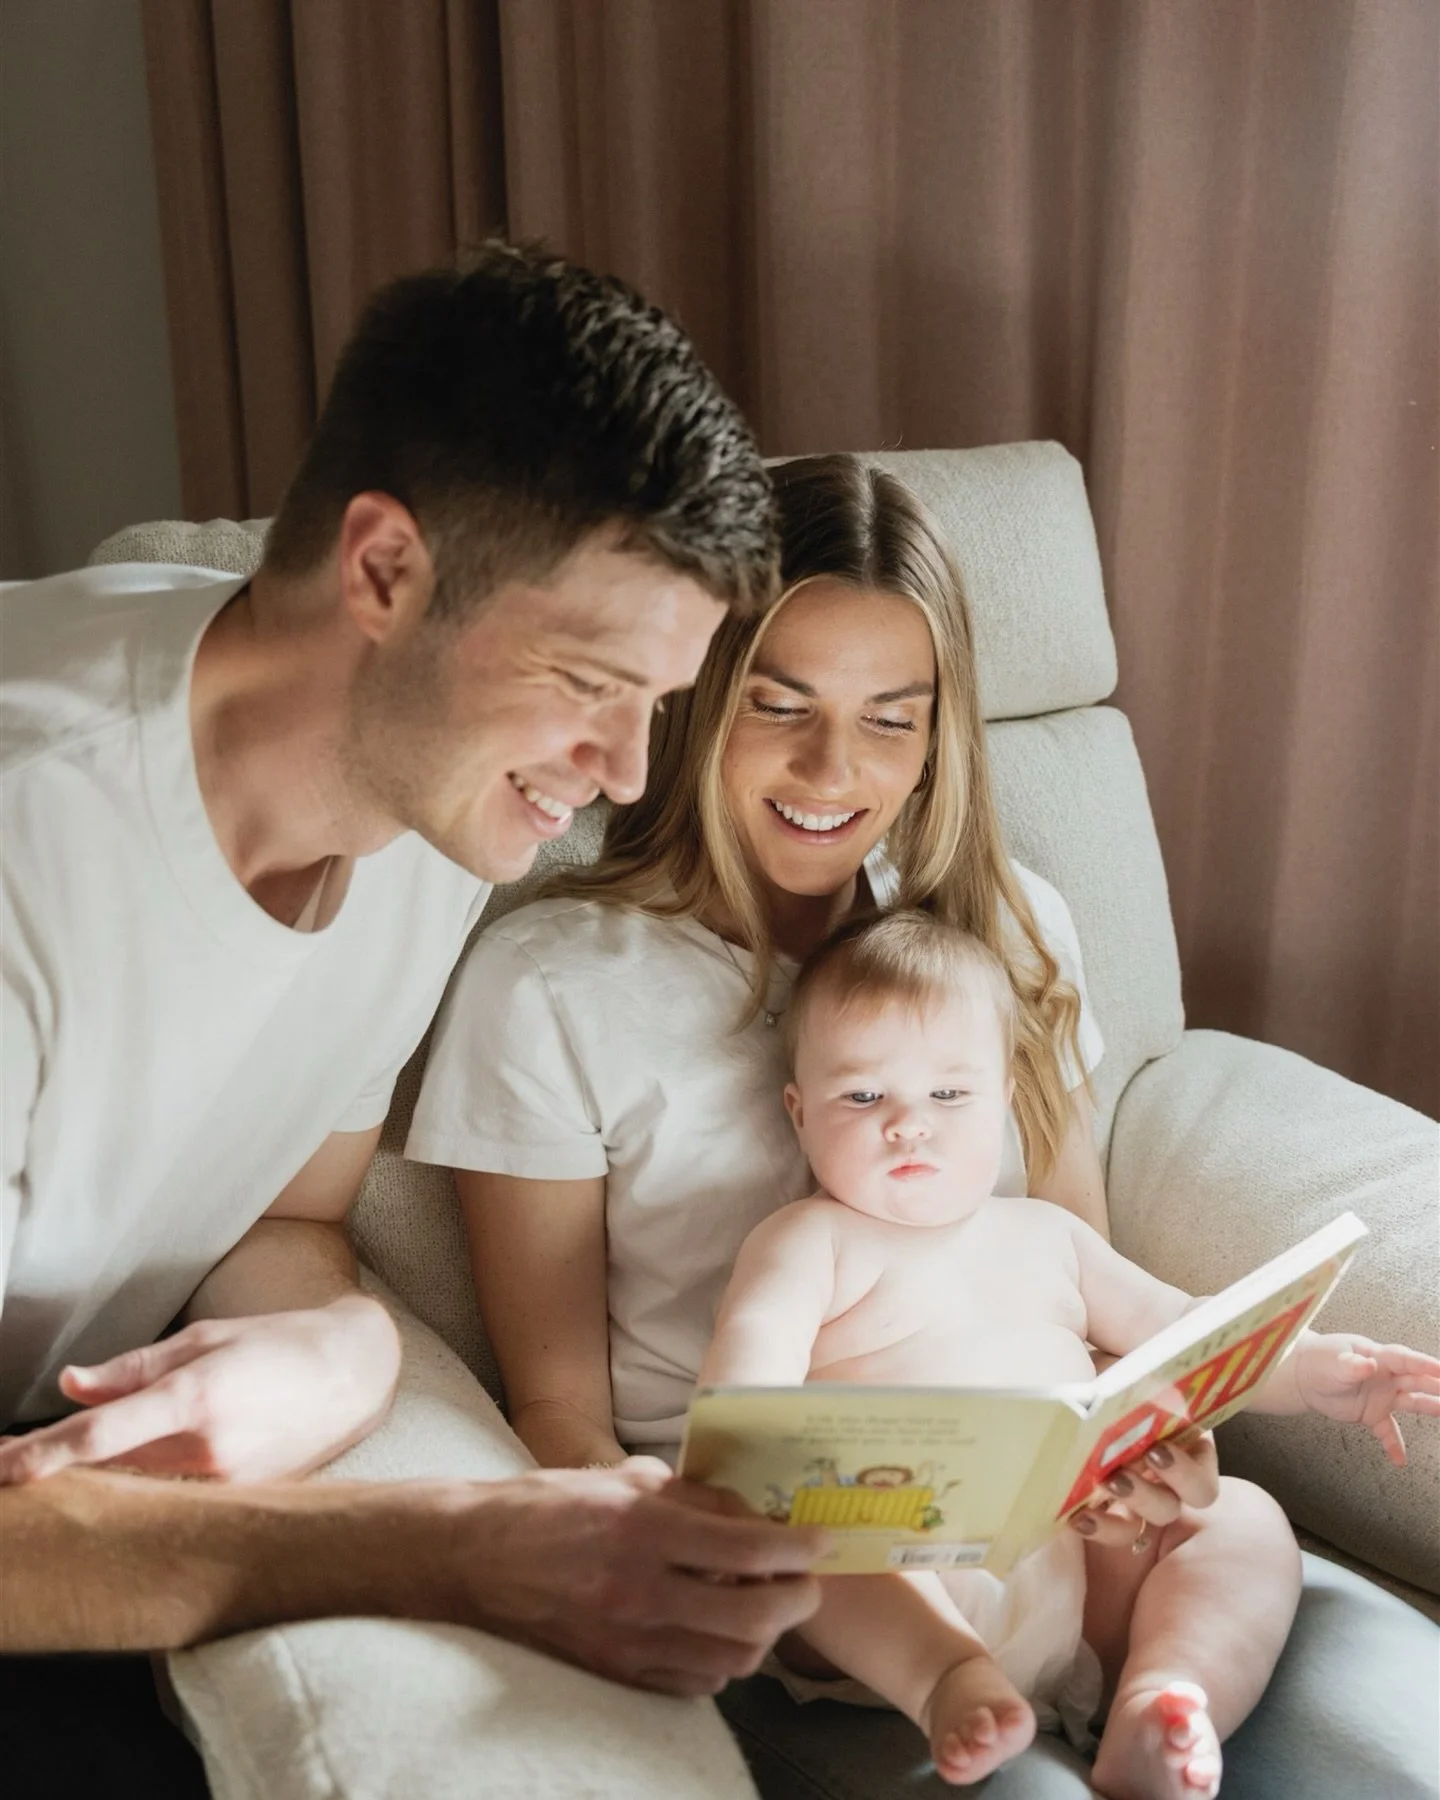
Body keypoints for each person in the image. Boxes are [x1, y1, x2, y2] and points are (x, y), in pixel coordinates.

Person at [409, 451, 1438, 1799]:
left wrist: (1153, 1455)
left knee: (1321, 1641)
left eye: (892, 720)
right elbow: (559, 1414)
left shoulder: (1008, 932)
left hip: (1061, 1520)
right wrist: (696, 1564)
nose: (833, 767)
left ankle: (1165, 1693)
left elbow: (1088, 1299)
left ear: (941, 733)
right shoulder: (548, 987)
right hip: (814, 1566)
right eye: (779, 705)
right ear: (696, 696)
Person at [0, 244, 830, 1779]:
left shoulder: (425, 812)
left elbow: (290, 1215)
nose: (626, 775)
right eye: (589, 681)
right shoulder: (31, 842)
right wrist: (462, 1545)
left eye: (655, 706)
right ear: (384, 570)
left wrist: (338, 1353)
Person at [698, 909, 1440, 1797]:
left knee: (1241, 1519)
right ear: (800, 1112)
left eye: (949, 1095)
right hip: (897, 1576)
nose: (908, 1126)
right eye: (863, 1098)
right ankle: (950, 1681)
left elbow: (1187, 1332)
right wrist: (747, 1483)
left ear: (1006, 1098)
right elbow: (744, 1391)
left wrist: (1315, 1369)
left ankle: (1165, 1697)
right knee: (821, 1544)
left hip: (1082, 1566)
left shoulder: (1049, 1236)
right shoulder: (808, 1240)